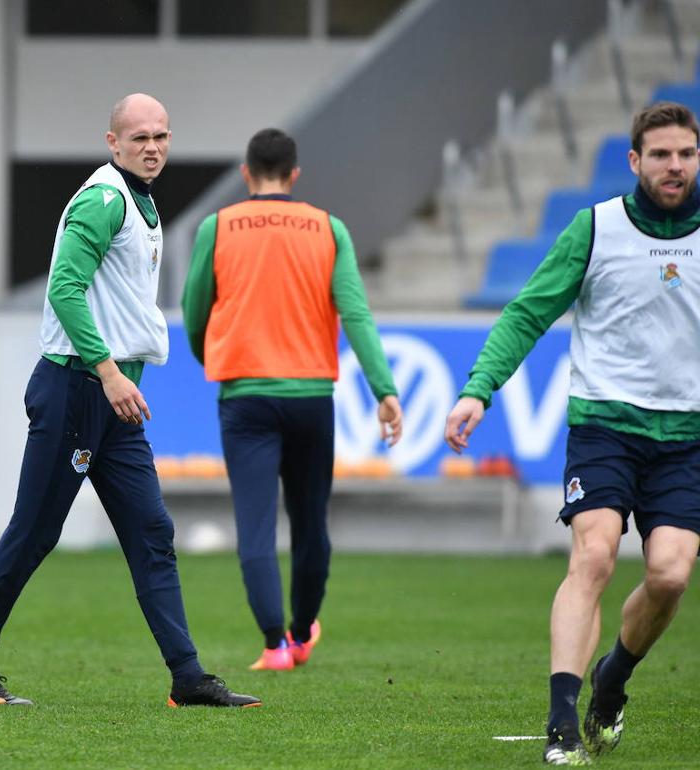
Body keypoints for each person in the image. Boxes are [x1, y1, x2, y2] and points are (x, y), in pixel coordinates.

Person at [0, 93, 260, 709]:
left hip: (112, 398)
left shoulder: (139, 199)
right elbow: (64, 288)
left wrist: (115, 380)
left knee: (151, 532)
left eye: (162, 135)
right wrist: (109, 372)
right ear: (112, 142)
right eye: (139, 137)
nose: (153, 146)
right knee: (33, 534)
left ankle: (187, 677)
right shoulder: (104, 198)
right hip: (79, 389)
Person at [444, 101, 700, 766]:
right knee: (594, 556)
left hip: (688, 436)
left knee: (671, 576)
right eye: (663, 154)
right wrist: (478, 389)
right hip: (605, 424)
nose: (676, 166)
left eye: (687, 154)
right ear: (635, 161)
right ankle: (561, 722)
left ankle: (610, 681)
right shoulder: (595, 229)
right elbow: (528, 314)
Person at [181, 128, 402, 672]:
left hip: (246, 395)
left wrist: (210, 356)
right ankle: (303, 633)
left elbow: (193, 309)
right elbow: (356, 314)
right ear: (295, 174)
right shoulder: (328, 228)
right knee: (310, 523)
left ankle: (273, 643)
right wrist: (384, 389)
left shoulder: (218, 226)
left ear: (246, 173)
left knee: (254, 524)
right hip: (310, 395)